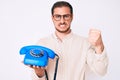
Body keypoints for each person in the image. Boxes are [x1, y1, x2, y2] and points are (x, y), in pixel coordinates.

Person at [29, 1, 109, 80]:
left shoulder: (85, 43)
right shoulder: (42, 44)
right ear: (52, 18)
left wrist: (99, 46)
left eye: (66, 16)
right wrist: (39, 73)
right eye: (58, 16)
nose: (62, 21)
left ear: (72, 17)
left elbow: (101, 71)